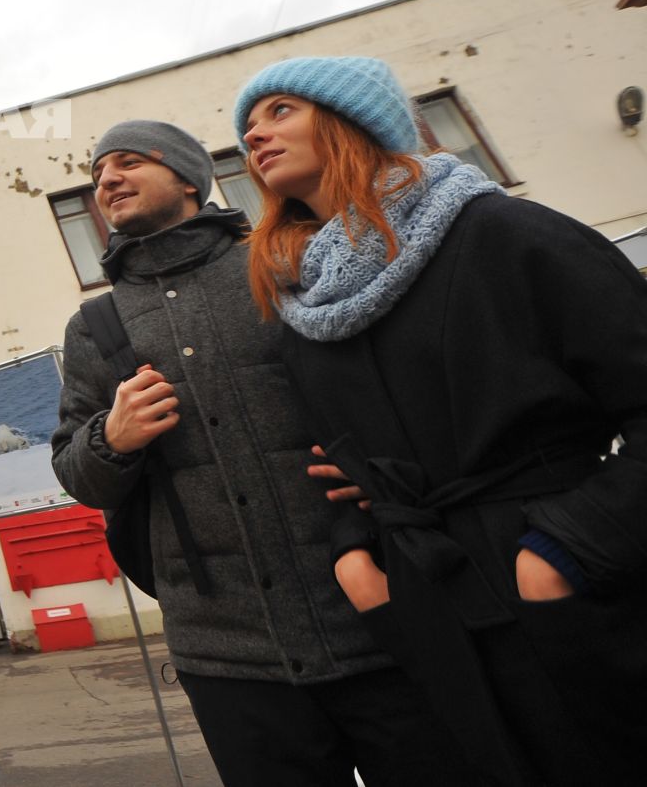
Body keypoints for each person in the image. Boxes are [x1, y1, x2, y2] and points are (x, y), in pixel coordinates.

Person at [234, 55, 647, 786]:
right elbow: (329, 459)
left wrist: (567, 549)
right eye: (247, 125)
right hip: (432, 613)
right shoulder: (304, 306)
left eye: (280, 110)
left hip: (578, 592)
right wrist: (356, 556)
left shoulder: (502, 232)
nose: (253, 135)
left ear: (351, 119)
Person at [50, 119, 457, 785]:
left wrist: (381, 469)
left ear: (187, 176)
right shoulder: (95, 325)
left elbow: (395, 391)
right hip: (226, 654)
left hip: (378, 615)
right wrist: (110, 438)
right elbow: (76, 472)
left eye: (127, 162)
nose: (107, 182)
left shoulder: (287, 260)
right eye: (97, 177)